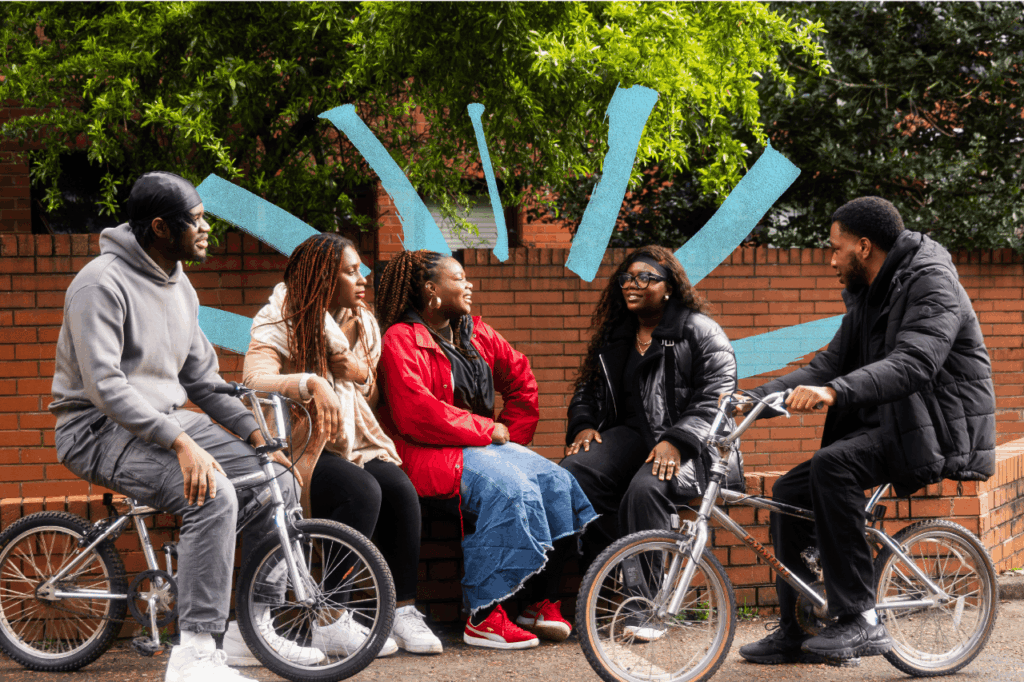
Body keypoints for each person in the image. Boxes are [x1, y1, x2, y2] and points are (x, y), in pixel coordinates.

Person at [50, 172, 311, 682]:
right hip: (96, 429)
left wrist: (258, 437)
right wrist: (180, 441)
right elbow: (105, 386)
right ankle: (194, 653)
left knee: (275, 480)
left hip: (166, 421)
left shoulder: (180, 284)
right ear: (160, 228)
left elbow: (203, 381)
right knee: (212, 495)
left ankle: (251, 630)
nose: (207, 228)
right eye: (196, 220)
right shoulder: (100, 284)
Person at [737, 196, 995, 665]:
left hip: (934, 424)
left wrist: (834, 392)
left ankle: (861, 618)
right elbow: (828, 364)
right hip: (895, 420)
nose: (831, 260)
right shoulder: (870, 294)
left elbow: (915, 362)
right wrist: (752, 400)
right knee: (789, 493)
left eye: (835, 249)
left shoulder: (932, 281)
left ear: (863, 246)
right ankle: (798, 628)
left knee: (832, 465)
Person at [374, 250, 597, 649]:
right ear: (431, 289)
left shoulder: (476, 332)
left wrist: (511, 439)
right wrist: (487, 430)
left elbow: (522, 381)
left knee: (559, 482)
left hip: (480, 447)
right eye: (459, 278)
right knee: (511, 490)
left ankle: (537, 603)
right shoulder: (401, 338)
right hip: (424, 451)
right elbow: (415, 413)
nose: (469, 285)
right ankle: (484, 615)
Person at [240, 233, 442, 657]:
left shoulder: (363, 322)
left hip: (354, 439)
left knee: (400, 490)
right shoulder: (279, 317)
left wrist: (358, 372)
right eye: (350, 272)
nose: (362, 279)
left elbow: (370, 394)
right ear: (323, 280)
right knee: (361, 491)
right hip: (299, 444)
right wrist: (310, 382)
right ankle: (330, 616)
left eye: (359, 269)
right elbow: (254, 380)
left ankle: (403, 610)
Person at [561, 246, 738, 639]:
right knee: (574, 474)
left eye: (645, 277)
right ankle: (607, 583)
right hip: (630, 438)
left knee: (643, 492)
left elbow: (718, 396)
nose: (632, 284)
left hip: (691, 446)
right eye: (627, 278)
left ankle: (646, 608)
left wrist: (678, 440)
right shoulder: (617, 335)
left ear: (669, 287)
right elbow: (587, 389)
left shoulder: (698, 330)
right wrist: (583, 424)